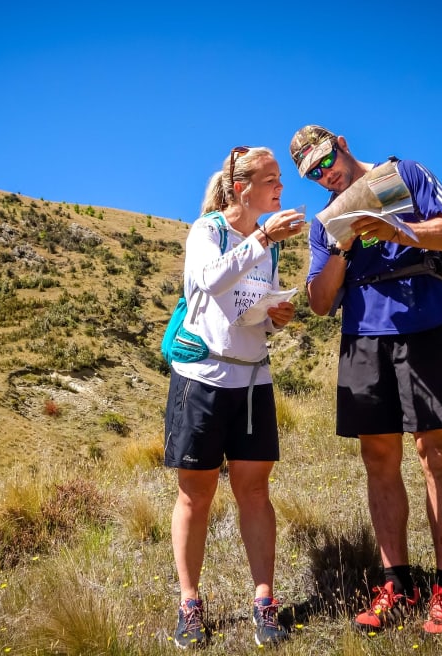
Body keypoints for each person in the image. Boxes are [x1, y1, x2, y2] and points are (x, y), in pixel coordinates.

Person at [290, 125, 442, 635]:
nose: (324, 174)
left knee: (435, 454)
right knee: (378, 459)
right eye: (312, 173)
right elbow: (320, 302)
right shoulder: (325, 222)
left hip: (424, 326)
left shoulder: (403, 175)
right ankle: (398, 584)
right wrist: (341, 246)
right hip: (363, 339)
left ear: (341, 143)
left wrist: (399, 232)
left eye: (326, 160)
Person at [164, 145, 305, 649]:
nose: (281, 188)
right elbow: (210, 280)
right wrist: (263, 237)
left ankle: (264, 601)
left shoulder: (273, 245)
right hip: (201, 378)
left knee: (255, 491)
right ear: (242, 188)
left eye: (280, 179)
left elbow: (252, 310)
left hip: (252, 381)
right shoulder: (208, 231)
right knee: (195, 494)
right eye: (272, 180)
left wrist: (276, 317)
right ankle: (189, 604)